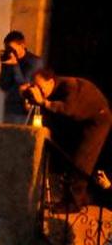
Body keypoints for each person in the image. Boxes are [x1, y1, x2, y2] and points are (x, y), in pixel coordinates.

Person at [22, 67, 112, 206]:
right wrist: (27, 97)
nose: (38, 90)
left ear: (51, 82)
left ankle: (73, 203)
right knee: (67, 157)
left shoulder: (70, 86)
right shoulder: (52, 89)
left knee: (82, 160)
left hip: (98, 120)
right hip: (80, 121)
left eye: (40, 87)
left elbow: (68, 109)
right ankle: (78, 197)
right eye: (35, 86)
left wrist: (42, 102)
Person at [0, 30, 44, 123]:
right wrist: (5, 66)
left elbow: (25, 85)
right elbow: (3, 85)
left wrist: (15, 65)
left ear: (22, 46)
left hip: (25, 110)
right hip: (10, 107)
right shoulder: (9, 59)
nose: (10, 51)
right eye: (8, 48)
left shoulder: (34, 62)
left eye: (12, 48)